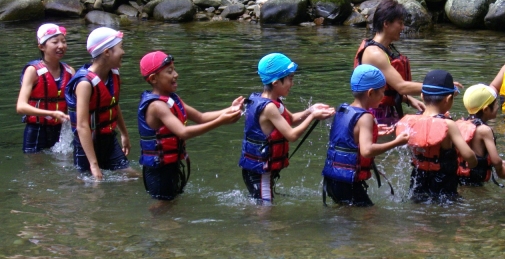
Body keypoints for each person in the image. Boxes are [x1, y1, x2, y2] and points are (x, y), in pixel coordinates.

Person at [138, 51, 244, 200]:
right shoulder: (157, 106)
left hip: (171, 165)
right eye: (169, 72)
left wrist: (231, 109)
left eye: (174, 69)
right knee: (162, 208)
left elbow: (201, 117)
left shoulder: (172, 99)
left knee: (170, 206)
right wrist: (220, 121)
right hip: (159, 170)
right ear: (153, 79)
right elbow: (183, 132)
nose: (176, 74)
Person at [239, 53, 335, 203]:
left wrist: (310, 110)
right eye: (290, 79)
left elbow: (292, 119)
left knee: (262, 206)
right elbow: (291, 135)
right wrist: (313, 117)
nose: (292, 83)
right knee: (265, 211)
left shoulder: (267, 100)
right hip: (260, 172)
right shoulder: (269, 107)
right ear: (276, 82)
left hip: (257, 168)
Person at [321, 65, 410, 206]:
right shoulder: (366, 117)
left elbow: (348, 138)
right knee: (370, 218)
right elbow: (367, 151)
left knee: (347, 218)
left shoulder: (343, 109)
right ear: (370, 93)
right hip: (347, 183)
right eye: (382, 92)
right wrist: (397, 142)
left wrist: (373, 132)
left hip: (332, 179)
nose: (383, 97)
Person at [395, 70, 477, 202]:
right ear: (449, 99)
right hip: (443, 182)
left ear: (422, 96)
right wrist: (473, 164)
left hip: (418, 178)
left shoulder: (411, 122)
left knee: (419, 205)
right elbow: (468, 155)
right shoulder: (448, 124)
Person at [65, 27, 132, 180]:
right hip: (86, 145)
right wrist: (93, 165)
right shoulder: (85, 84)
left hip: (108, 140)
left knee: (131, 178)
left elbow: (113, 105)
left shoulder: (113, 75)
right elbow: (82, 125)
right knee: (90, 186)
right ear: (107, 52)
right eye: (120, 47)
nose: (123, 52)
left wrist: (124, 134)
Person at [354, 0, 426, 125]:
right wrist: (440, 87)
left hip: (386, 111)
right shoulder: (374, 53)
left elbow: (388, 90)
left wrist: (408, 99)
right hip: (374, 115)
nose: (403, 28)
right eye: (400, 23)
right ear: (386, 23)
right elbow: (402, 87)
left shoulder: (385, 49)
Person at [17, 24, 75, 153]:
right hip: (36, 129)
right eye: (55, 42)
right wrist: (51, 114)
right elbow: (21, 107)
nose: (61, 46)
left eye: (64, 42)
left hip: (61, 129)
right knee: (35, 168)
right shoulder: (33, 71)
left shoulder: (69, 71)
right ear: (42, 46)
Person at [456, 84, 505, 186]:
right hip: (476, 181)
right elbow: (496, 161)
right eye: (496, 104)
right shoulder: (484, 130)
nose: (498, 107)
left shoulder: (458, 124)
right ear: (486, 109)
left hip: (458, 178)